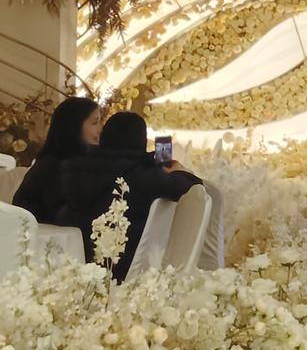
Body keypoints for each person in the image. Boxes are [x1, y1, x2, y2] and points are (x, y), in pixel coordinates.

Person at [60, 111, 202, 281]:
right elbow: (189, 187)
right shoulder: (141, 174)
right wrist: (179, 172)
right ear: (140, 139)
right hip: (121, 267)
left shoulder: (74, 169)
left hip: (73, 261)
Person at [13, 96, 101, 223]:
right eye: (94, 123)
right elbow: (63, 214)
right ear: (74, 126)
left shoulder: (86, 161)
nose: (100, 129)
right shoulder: (53, 165)